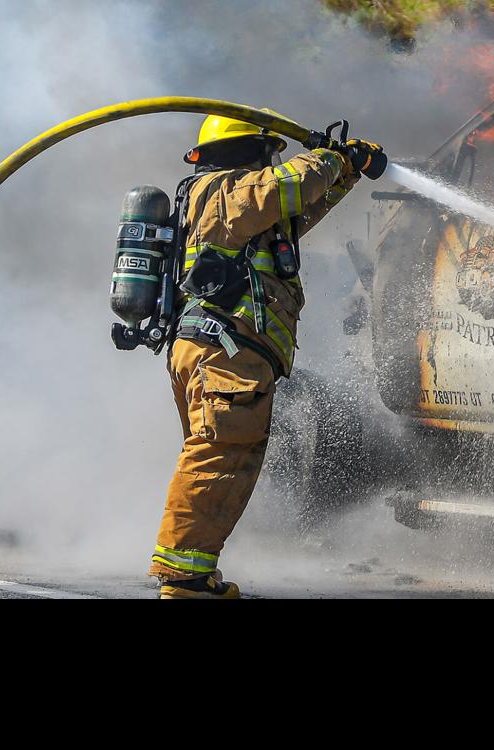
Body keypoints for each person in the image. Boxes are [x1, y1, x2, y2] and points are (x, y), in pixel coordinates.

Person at [147, 115, 380, 598]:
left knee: (227, 456)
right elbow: (291, 184)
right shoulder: (220, 191)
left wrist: (348, 171)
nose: (273, 160)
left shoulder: (246, 205)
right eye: (267, 153)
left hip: (224, 352)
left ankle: (196, 571)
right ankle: (183, 579)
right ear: (247, 151)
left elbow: (301, 204)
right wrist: (331, 156)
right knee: (218, 455)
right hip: (223, 351)